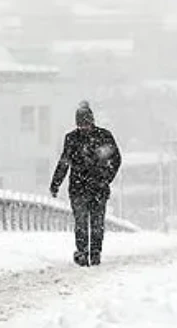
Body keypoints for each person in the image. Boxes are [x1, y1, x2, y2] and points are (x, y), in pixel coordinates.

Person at [50, 101, 122, 267]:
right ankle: (82, 252)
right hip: (80, 188)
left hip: (96, 187)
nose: (84, 128)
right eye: (81, 124)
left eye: (86, 123)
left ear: (92, 121)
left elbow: (116, 159)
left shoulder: (104, 136)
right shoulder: (72, 139)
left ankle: (95, 252)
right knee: (82, 222)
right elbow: (64, 163)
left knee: (96, 223)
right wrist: (56, 183)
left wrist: (106, 178)